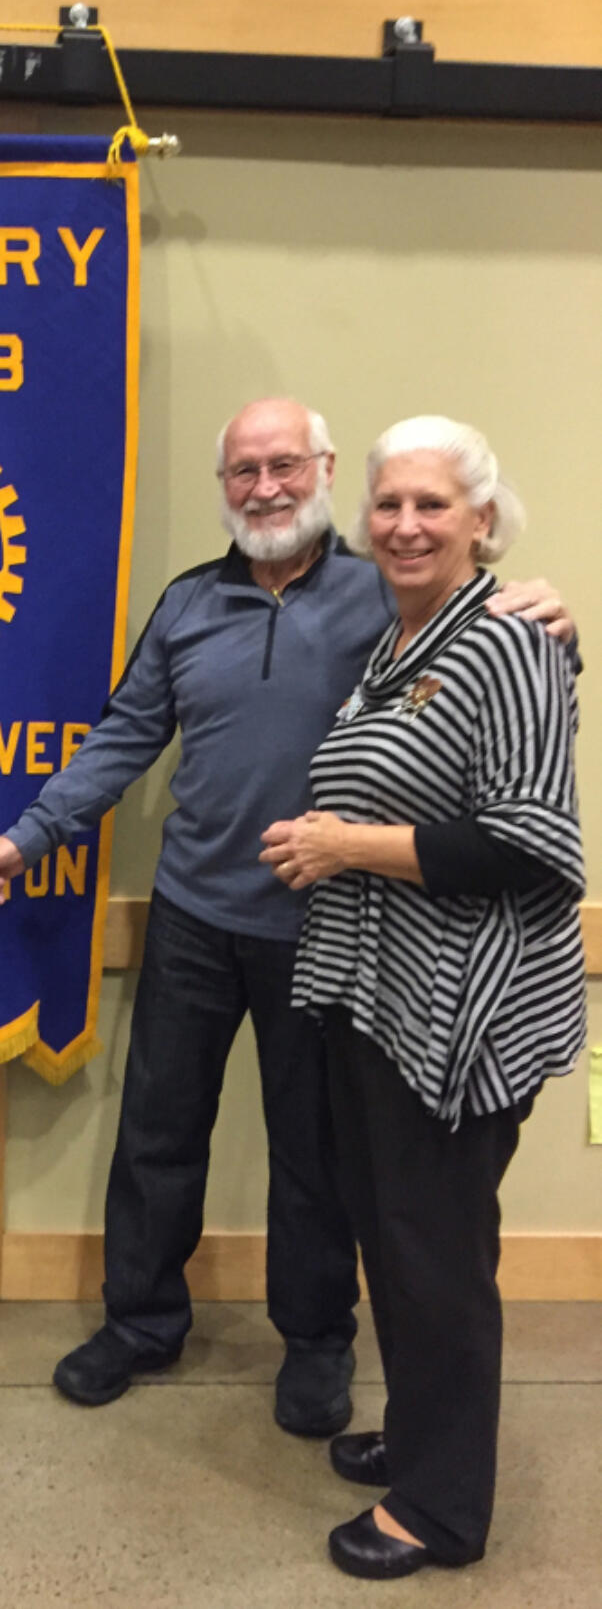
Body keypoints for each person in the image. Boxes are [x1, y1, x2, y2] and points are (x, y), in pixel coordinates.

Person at [0, 398, 573, 1437]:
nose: (263, 488)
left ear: (324, 470)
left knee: (313, 1155)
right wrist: (28, 834)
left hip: (328, 929)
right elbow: (123, 736)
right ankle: (142, 1321)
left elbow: (494, 677)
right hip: (193, 917)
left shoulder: (388, 589)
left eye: (283, 465)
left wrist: (556, 618)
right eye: (241, 472)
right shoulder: (187, 603)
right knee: (157, 1133)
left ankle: (315, 1341)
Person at [260, 417, 584, 1578]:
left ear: (480, 521)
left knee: (431, 1251)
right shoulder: (401, 643)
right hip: (379, 999)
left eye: (430, 505)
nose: (403, 523)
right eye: (388, 504)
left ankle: (440, 1509)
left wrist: (344, 842)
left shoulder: (507, 641)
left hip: (459, 1017)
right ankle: (417, 1434)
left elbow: (531, 842)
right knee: (393, 1239)